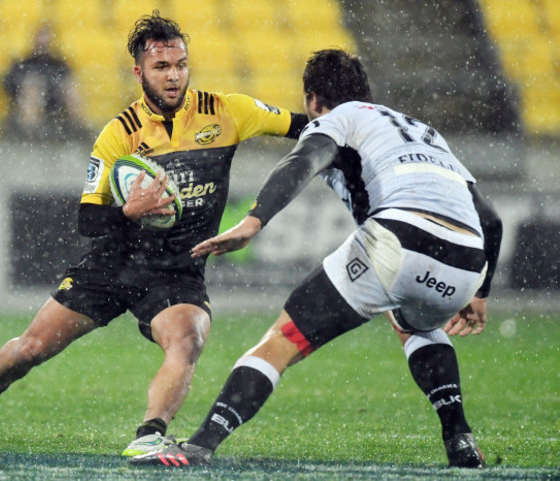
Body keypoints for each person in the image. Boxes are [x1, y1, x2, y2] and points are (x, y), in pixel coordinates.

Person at [0, 11, 308, 456]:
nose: (173, 77)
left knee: (188, 339)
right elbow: (87, 221)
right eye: (161, 67)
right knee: (29, 350)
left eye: (180, 65)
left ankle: (149, 435)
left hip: (177, 270)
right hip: (115, 263)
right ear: (139, 72)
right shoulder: (119, 134)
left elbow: (305, 126)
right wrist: (129, 211)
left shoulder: (227, 111)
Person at [129, 49, 503, 468]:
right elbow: (490, 217)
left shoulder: (337, 119)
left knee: (283, 340)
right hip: (468, 259)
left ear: (312, 100)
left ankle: (199, 445)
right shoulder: (423, 131)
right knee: (416, 323)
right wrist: (480, 292)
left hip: (402, 236)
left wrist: (254, 221)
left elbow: (304, 160)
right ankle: (460, 439)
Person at [2, 24, 87, 140]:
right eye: (41, 37)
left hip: (55, 100)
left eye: (46, 37)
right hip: (32, 102)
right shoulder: (25, 62)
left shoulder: (58, 64)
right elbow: (8, 83)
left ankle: (79, 129)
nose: (44, 41)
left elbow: (67, 81)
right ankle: (30, 131)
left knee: (71, 89)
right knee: (32, 89)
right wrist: (30, 85)